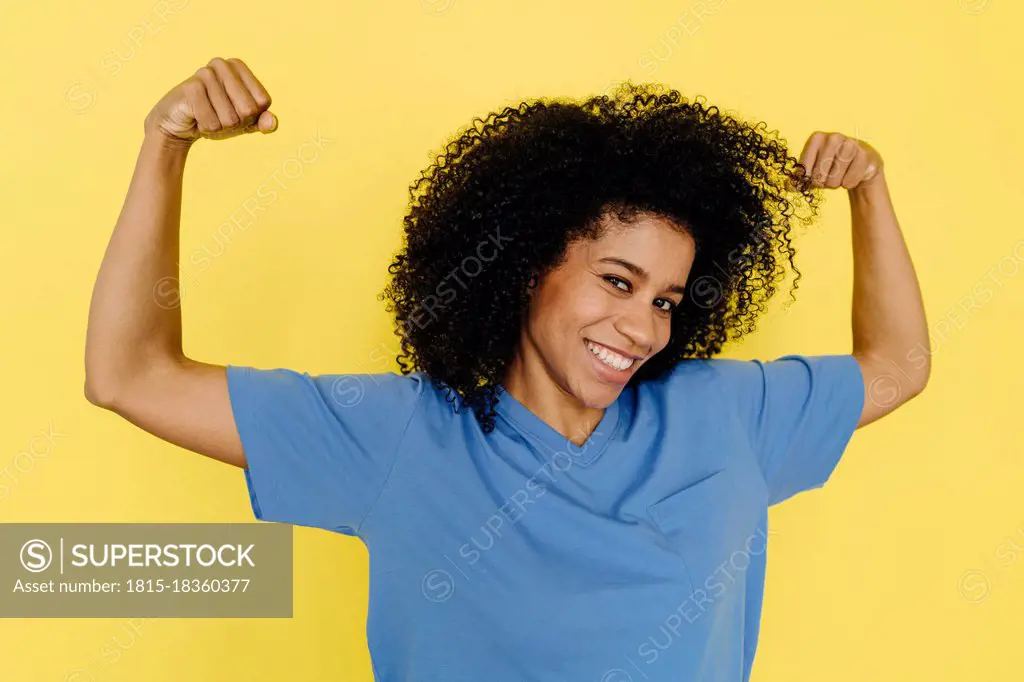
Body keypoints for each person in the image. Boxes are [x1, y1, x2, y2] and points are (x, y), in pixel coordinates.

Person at [84, 57, 930, 682]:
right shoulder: (398, 436)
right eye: (617, 281)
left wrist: (870, 190)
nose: (642, 328)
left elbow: (898, 365)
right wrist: (167, 146)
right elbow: (129, 375)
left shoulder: (728, 414)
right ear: (528, 266)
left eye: (667, 301)